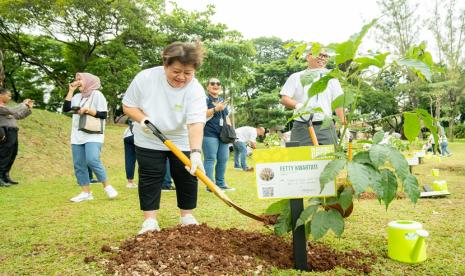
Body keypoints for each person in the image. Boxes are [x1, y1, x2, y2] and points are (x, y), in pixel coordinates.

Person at [122, 41, 207, 235]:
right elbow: (128, 106)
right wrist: (143, 120)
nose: (182, 77)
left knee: (186, 176)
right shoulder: (145, 78)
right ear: (165, 64)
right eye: (176, 71)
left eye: (188, 73)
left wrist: (195, 153)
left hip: (181, 138)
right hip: (149, 136)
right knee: (150, 176)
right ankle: (150, 221)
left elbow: (195, 123)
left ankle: (186, 216)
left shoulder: (195, 90)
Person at [63, 72, 118, 202]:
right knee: (79, 164)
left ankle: (107, 186)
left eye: (79, 79)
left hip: (93, 134)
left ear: (88, 81)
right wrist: (71, 91)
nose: (77, 81)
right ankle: (86, 192)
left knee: (92, 160)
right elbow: (66, 108)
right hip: (77, 133)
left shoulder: (97, 95)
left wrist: (87, 110)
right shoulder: (76, 96)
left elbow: (103, 115)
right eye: (76, 79)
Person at [279, 49, 345, 146]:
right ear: (308, 57)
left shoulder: (332, 79)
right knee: (300, 158)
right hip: (301, 127)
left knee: (329, 159)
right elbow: (284, 99)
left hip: (326, 127)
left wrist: (342, 123)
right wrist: (299, 105)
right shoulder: (296, 77)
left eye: (325, 56)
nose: (322, 58)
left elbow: (338, 102)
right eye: (319, 54)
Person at [202, 78, 235, 191]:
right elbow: (201, 114)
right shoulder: (204, 99)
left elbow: (226, 117)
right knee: (210, 158)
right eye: (212, 83)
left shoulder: (221, 100)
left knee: (223, 158)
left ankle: (221, 183)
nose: (215, 85)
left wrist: (231, 131)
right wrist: (215, 109)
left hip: (223, 134)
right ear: (208, 86)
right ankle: (210, 185)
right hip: (209, 133)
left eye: (218, 83)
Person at [0, 88, 33, 187]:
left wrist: (28, 108)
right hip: (5, 132)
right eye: (8, 95)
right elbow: (13, 110)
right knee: (4, 155)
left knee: (12, 154)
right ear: (1, 95)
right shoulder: (2, 108)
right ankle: (0, 178)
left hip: (13, 132)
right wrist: (23, 104)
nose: (10, 97)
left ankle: (6, 176)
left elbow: (18, 116)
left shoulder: (6, 108)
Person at [123, 119, 137, 188]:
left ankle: (130, 182)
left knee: (129, 159)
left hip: (127, 135)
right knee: (144, 158)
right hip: (138, 134)